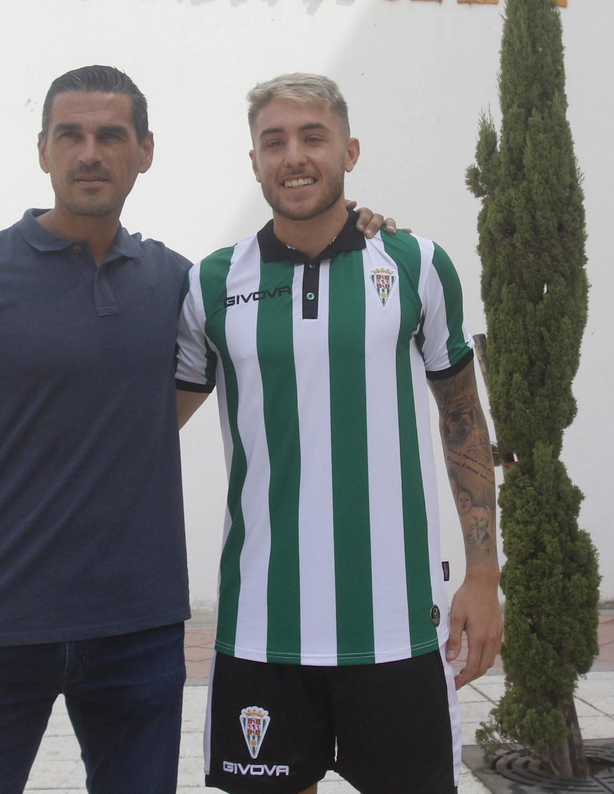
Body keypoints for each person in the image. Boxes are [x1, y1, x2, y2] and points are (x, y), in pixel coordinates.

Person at [0, 65, 396, 793]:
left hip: (139, 633)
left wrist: (364, 227)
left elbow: (155, 408)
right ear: (43, 150)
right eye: (71, 135)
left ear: (145, 151)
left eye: (110, 135)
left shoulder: (183, 286)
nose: (89, 152)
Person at [173, 75, 500, 794]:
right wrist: (4, 461)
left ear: (348, 150)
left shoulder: (415, 264)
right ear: (253, 161)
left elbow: (462, 420)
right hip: (262, 624)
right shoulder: (212, 284)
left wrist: (483, 573)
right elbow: (139, 426)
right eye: (274, 141)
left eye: (312, 137)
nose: (294, 156)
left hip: (397, 626)